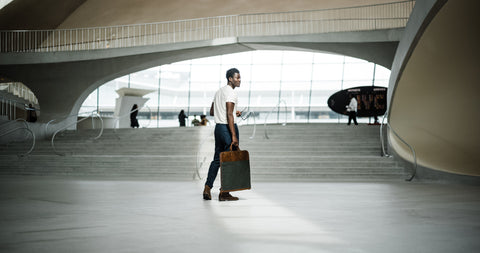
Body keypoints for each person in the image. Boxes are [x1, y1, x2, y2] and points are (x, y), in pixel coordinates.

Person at [203, 68, 243, 201]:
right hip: (228, 128)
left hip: (218, 128)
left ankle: (207, 188)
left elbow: (212, 112)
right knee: (228, 162)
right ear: (230, 78)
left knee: (216, 160)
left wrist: (233, 112)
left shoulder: (219, 91)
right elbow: (229, 114)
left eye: (239, 77)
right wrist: (234, 136)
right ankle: (224, 192)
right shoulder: (231, 93)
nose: (239, 80)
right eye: (237, 77)